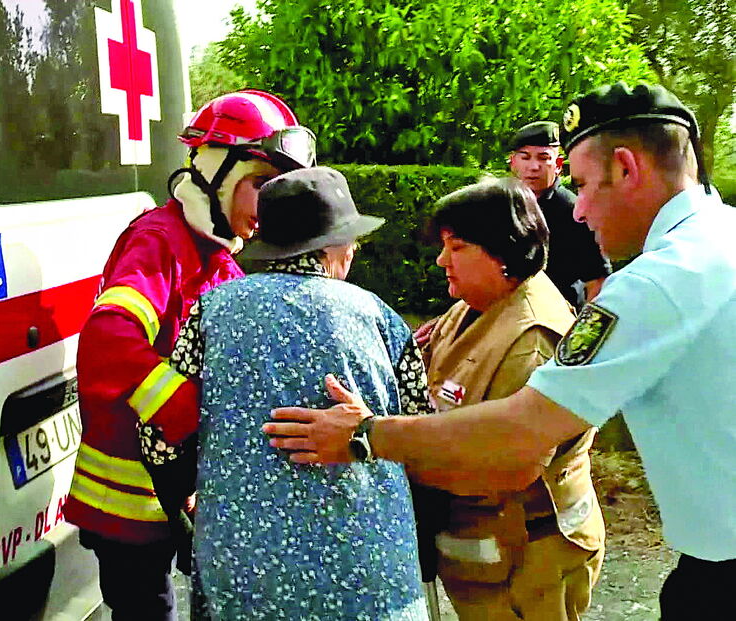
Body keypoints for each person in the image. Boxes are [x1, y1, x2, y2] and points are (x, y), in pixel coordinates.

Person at [263, 82, 736, 620]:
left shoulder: (660, 280)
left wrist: (364, 436)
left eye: (580, 184)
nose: (577, 211)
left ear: (627, 168)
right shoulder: (720, 236)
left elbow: (520, 434)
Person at [64, 90, 316, 621]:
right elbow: (109, 341)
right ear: (216, 173)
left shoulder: (218, 257)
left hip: (169, 496)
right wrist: (190, 417)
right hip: (127, 502)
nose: (267, 207)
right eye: (261, 185)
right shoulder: (160, 241)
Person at [141, 166, 432, 620]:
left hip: (243, 571)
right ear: (331, 244)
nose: (353, 249)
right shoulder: (379, 317)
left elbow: (159, 434)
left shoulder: (213, 311)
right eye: (350, 237)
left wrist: (188, 501)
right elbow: (424, 439)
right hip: (367, 571)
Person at [414, 177, 603, 620]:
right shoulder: (473, 304)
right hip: (488, 559)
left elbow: (511, 463)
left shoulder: (532, 337)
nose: (442, 260)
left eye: (457, 247)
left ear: (502, 253)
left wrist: (384, 443)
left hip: (529, 566)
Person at [509, 120, 611, 309]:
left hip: (559, 318)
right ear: (513, 162)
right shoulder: (503, 205)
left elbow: (598, 281)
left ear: (558, 165)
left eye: (543, 158)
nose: (533, 167)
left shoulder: (575, 212)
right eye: (525, 157)